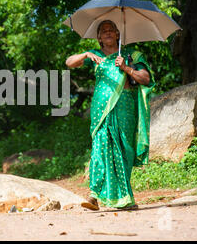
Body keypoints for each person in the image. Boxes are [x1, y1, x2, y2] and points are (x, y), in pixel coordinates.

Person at [65, 20, 155, 210]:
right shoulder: (95, 55)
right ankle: (93, 195)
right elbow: (69, 62)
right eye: (103, 31)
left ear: (117, 34)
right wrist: (86, 54)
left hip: (126, 107)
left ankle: (124, 199)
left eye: (110, 30)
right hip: (101, 110)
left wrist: (126, 68)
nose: (107, 33)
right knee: (100, 147)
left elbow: (146, 79)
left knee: (124, 151)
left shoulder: (131, 55)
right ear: (98, 37)